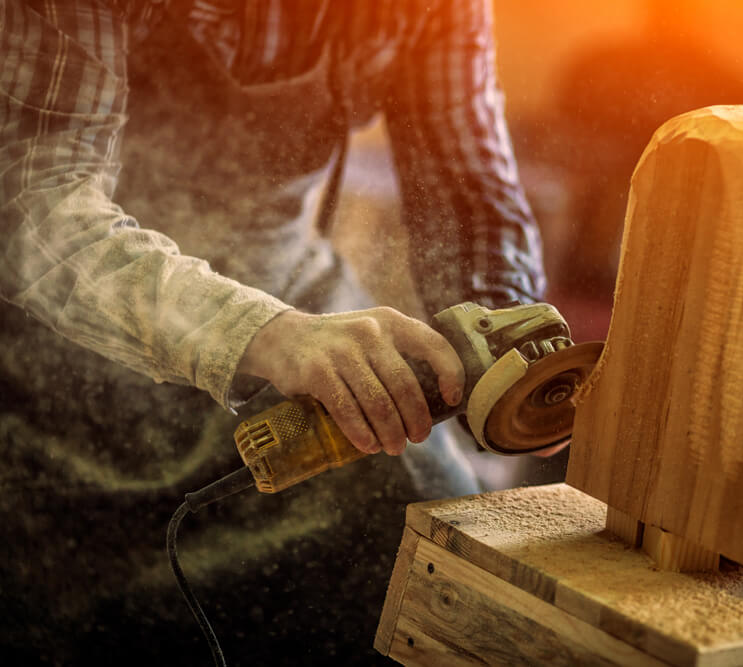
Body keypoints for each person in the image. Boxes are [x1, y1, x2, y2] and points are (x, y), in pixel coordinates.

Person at [0, 0, 545, 663]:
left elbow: (469, 192)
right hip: (67, 335)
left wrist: (509, 340)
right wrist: (262, 331)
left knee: (441, 559)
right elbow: (35, 203)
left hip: (297, 302)